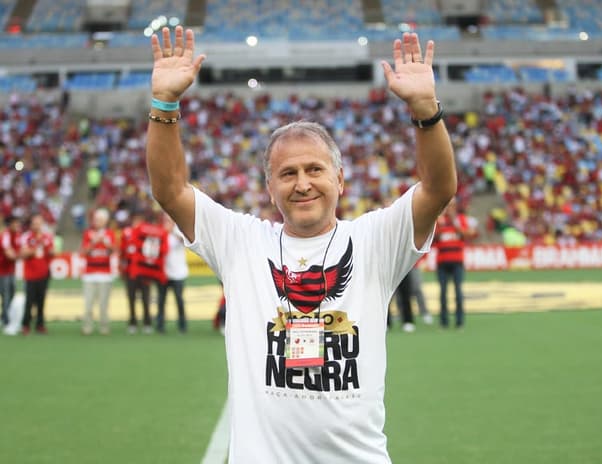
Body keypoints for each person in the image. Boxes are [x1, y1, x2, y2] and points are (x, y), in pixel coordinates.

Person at [146, 26, 456, 463]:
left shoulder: (373, 240)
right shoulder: (241, 242)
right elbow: (171, 190)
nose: (303, 184)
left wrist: (426, 111)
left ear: (340, 180)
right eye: (288, 174)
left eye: (315, 169)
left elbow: (438, 188)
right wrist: (164, 104)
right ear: (269, 187)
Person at [432, 197, 475, 329]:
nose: (449, 209)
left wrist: (454, 223)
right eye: (447, 206)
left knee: (458, 292)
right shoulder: (439, 220)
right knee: (443, 292)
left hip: (457, 261)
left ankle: (459, 321)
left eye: (452, 206)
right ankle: (444, 322)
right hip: (442, 262)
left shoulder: (460, 219)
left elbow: (469, 234)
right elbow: (432, 239)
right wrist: (440, 225)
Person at [79, 208, 116, 335]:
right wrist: (94, 242)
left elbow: (114, 250)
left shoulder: (109, 234)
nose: (97, 222)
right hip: (90, 274)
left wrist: (105, 242)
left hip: (105, 275)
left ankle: (104, 327)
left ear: (105, 221)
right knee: (88, 304)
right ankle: (87, 327)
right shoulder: (88, 233)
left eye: (99, 220)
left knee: (103, 305)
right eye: (96, 219)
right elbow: (83, 252)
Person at [20, 214, 54, 335]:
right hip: (30, 274)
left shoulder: (47, 237)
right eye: (35, 223)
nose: (37, 226)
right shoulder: (26, 237)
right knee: (29, 300)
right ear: (31, 224)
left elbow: (51, 252)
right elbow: (23, 253)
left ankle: (40, 324)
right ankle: (25, 324)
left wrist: (47, 249)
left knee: (41, 300)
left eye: (39, 223)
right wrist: (36, 247)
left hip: (43, 273)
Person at [156, 213, 188, 333]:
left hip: (178, 273)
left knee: (179, 300)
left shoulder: (178, 231)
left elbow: (185, 241)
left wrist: (172, 232)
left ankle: (182, 325)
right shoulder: (160, 232)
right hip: (163, 272)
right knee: (161, 300)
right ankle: (160, 325)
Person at [0, 215, 22, 327]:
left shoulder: (17, 235)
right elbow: (10, 254)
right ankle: (5, 319)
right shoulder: (6, 235)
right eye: (16, 223)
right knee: (6, 294)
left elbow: (19, 251)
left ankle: (5, 315)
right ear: (10, 224)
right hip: (2, 270)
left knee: (11, 292)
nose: (18, 225)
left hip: (10, 270)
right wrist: (22, 255)